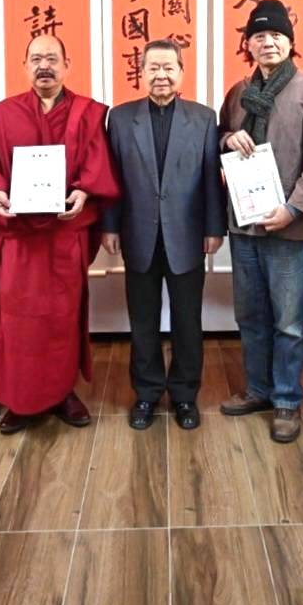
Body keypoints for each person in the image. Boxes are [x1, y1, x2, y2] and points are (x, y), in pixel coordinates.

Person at [0, 34, 120, 433]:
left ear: (67, 64)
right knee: (16, 319)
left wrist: (84, 191)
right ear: (25, 65)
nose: (44, 66)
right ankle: (20, 399)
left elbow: (98, 163)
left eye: (52, 58)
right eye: (36, 59)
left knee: (62, 318)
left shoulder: (87, 113)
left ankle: (62, 392)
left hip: (64, 235)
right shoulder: (4, 114)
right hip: (18, 238)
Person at [216, 0, 303, 444]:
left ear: (290, 43)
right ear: (248, 44)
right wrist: (229, 139)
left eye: (276, 35)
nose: (267, 42)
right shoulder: (237, 93)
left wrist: (294, 208)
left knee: (288, 319)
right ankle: (258, 389)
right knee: (250, 314)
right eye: (259, 36)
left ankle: (287, 399)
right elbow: (219, 139)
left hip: (290, 226)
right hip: (244, 222)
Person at [104, 39, 225, 431]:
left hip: (187, 235)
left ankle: (185, 395)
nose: (161, 75)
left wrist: (214, 227)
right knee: (143, 321)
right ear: (141, 73)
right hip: (137, 233)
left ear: (181, 72)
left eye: (168, 67)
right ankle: (147, 393)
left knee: (188, 321)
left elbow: (212, 178)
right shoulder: (120, 119)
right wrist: (109, 225)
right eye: (153, 68)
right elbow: (112, 178)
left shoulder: (204, 118)